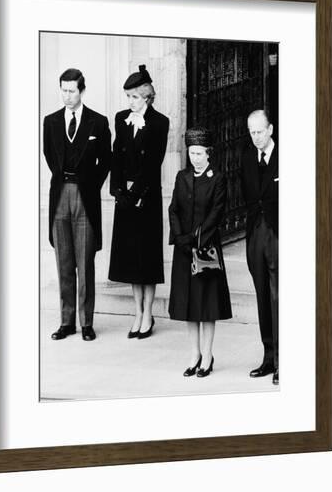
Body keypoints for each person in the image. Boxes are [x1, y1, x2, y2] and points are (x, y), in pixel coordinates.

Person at [42, 68, 111, 341]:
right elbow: (50, 156)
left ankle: (86, 323)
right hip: (60, 194)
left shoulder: (98, 122)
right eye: (63, 90)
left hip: (86, 196)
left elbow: (106, 159)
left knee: (85, 261)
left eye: (71, 91)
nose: (67, 96)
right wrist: (65, 179)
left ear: (82, 90)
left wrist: (91, 184)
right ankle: (66, 321)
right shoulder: (50, 121)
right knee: (64, 261)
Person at [108, 64, 169, 339]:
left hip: (146, 200)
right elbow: (116, 157)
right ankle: (137, 312)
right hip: (126, 200)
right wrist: (118, 191)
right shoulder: (121, 118)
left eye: (134, 97)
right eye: (128, 97)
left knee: (146, 260)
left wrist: (137, 194)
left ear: (147, 97)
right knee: (131, 260)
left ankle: (148, 314)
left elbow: (154, 162)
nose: (130, 102)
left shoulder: (159, 122)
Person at [168, 128, 232, 377]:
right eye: (191, 152)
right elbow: (173, 209)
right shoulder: (181, 177)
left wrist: (196, 239)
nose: (194, 157)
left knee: (207, 306)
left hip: (206, 249)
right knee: (188, 306)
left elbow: (217, 213)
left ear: (208, 153)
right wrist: (181, 239)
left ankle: (207, 355)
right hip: (184, 250)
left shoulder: (218, 178)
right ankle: (194, 354)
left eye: (199, 153)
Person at [241, 109, 279, 385]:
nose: (255, 137)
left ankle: (283, 361)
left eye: (259, 131)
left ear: (270, 130)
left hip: (278, 234)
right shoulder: (246, 157)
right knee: (262, 297)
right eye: (251, 132)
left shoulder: (286, 156)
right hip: (255, 234)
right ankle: (268, 357)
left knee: (279, 298)